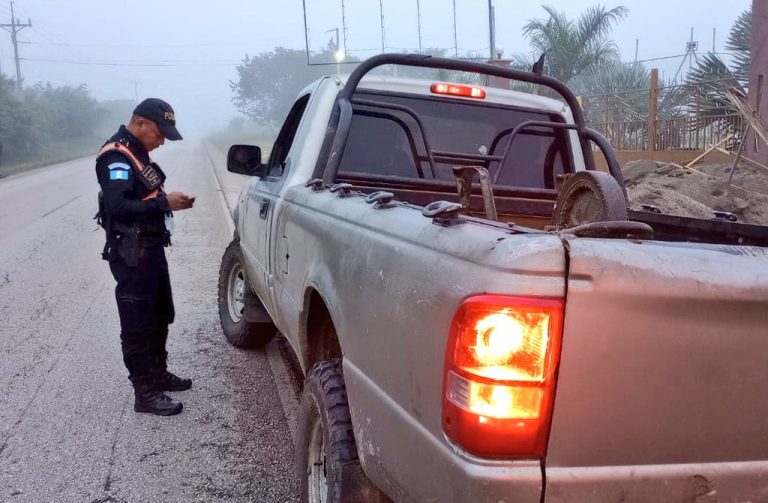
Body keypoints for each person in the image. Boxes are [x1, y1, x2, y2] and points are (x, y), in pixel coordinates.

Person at [95, 98, 194, 416]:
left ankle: (158, 374)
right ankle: (145, 392)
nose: (163, 140)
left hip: (150, 248)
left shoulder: (139, 153)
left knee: (160, 313)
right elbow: (119, 207)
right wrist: (165, 206)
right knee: (137, 322)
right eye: (159, 133)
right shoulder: (116, 157)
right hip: (131, 253)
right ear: (139, 124)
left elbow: (147, 193)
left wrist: (167, 200)